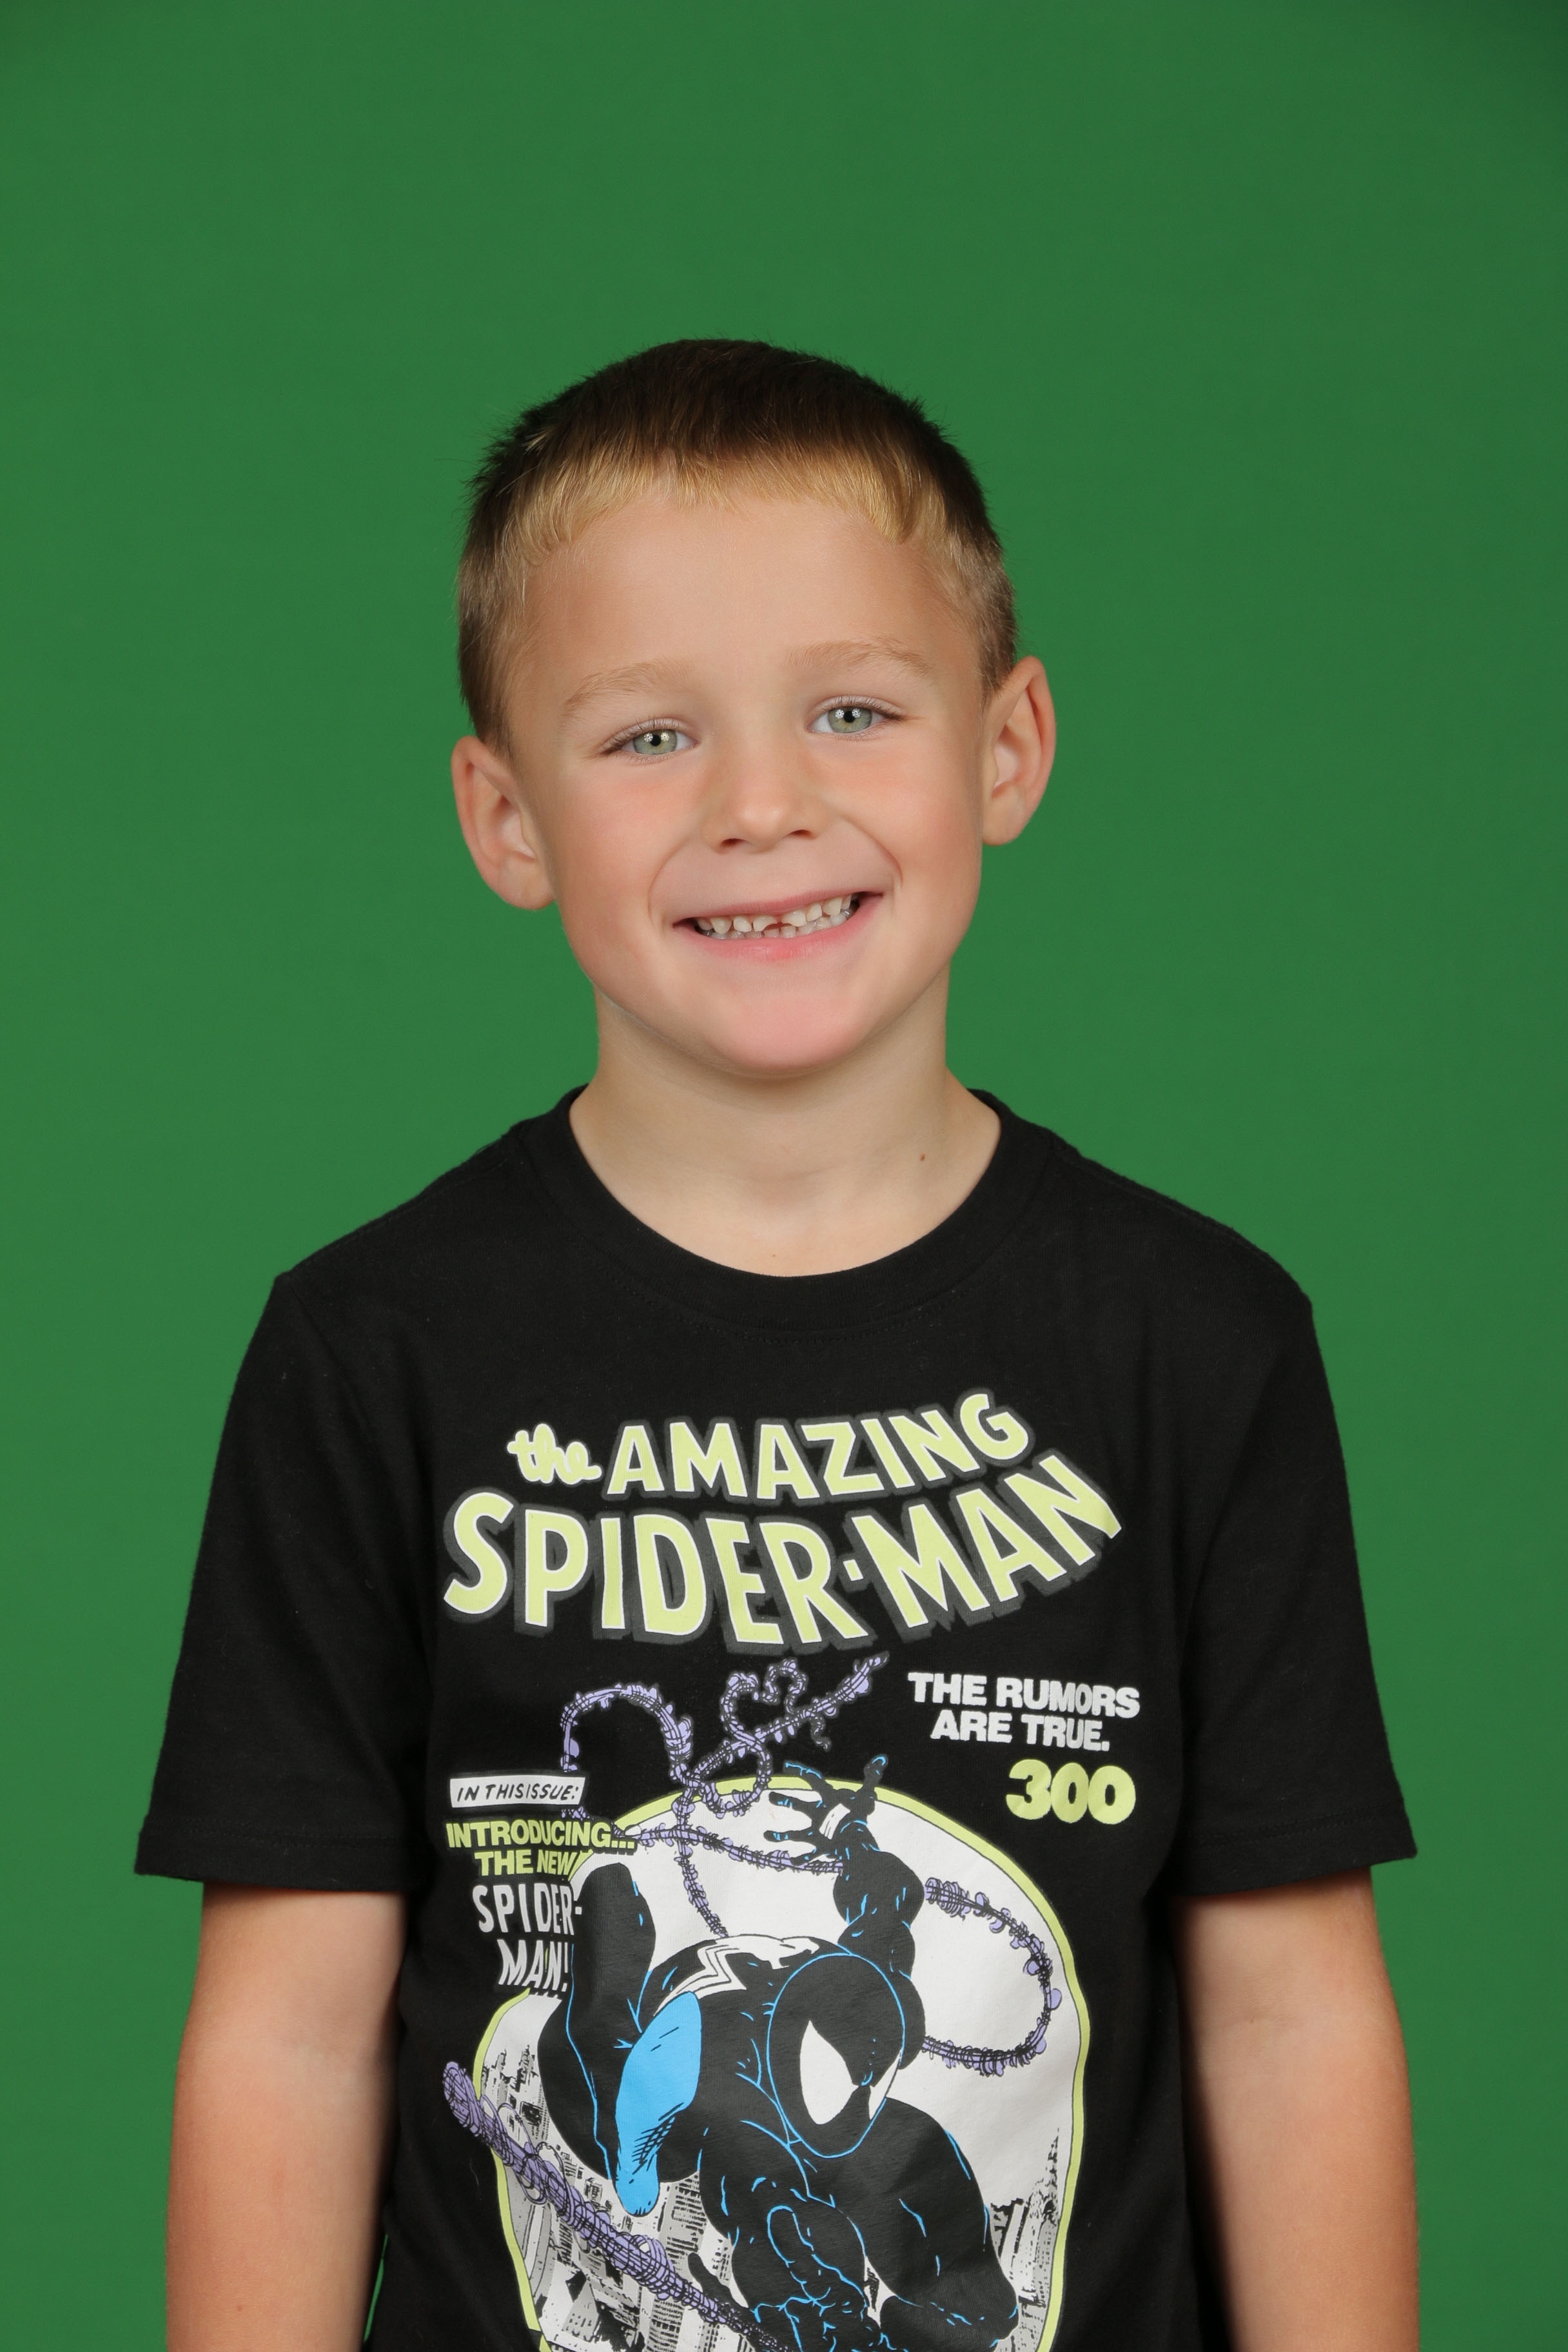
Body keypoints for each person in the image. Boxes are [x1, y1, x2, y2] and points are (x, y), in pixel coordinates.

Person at [139, 340, 1418, 2352]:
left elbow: (1290, 2013)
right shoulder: (372, 1353)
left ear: (1008, 748)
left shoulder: (1195, 1343)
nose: (762, 805)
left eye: (852, 711)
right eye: (650, 735)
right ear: (505, 817)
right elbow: (288, 2037)